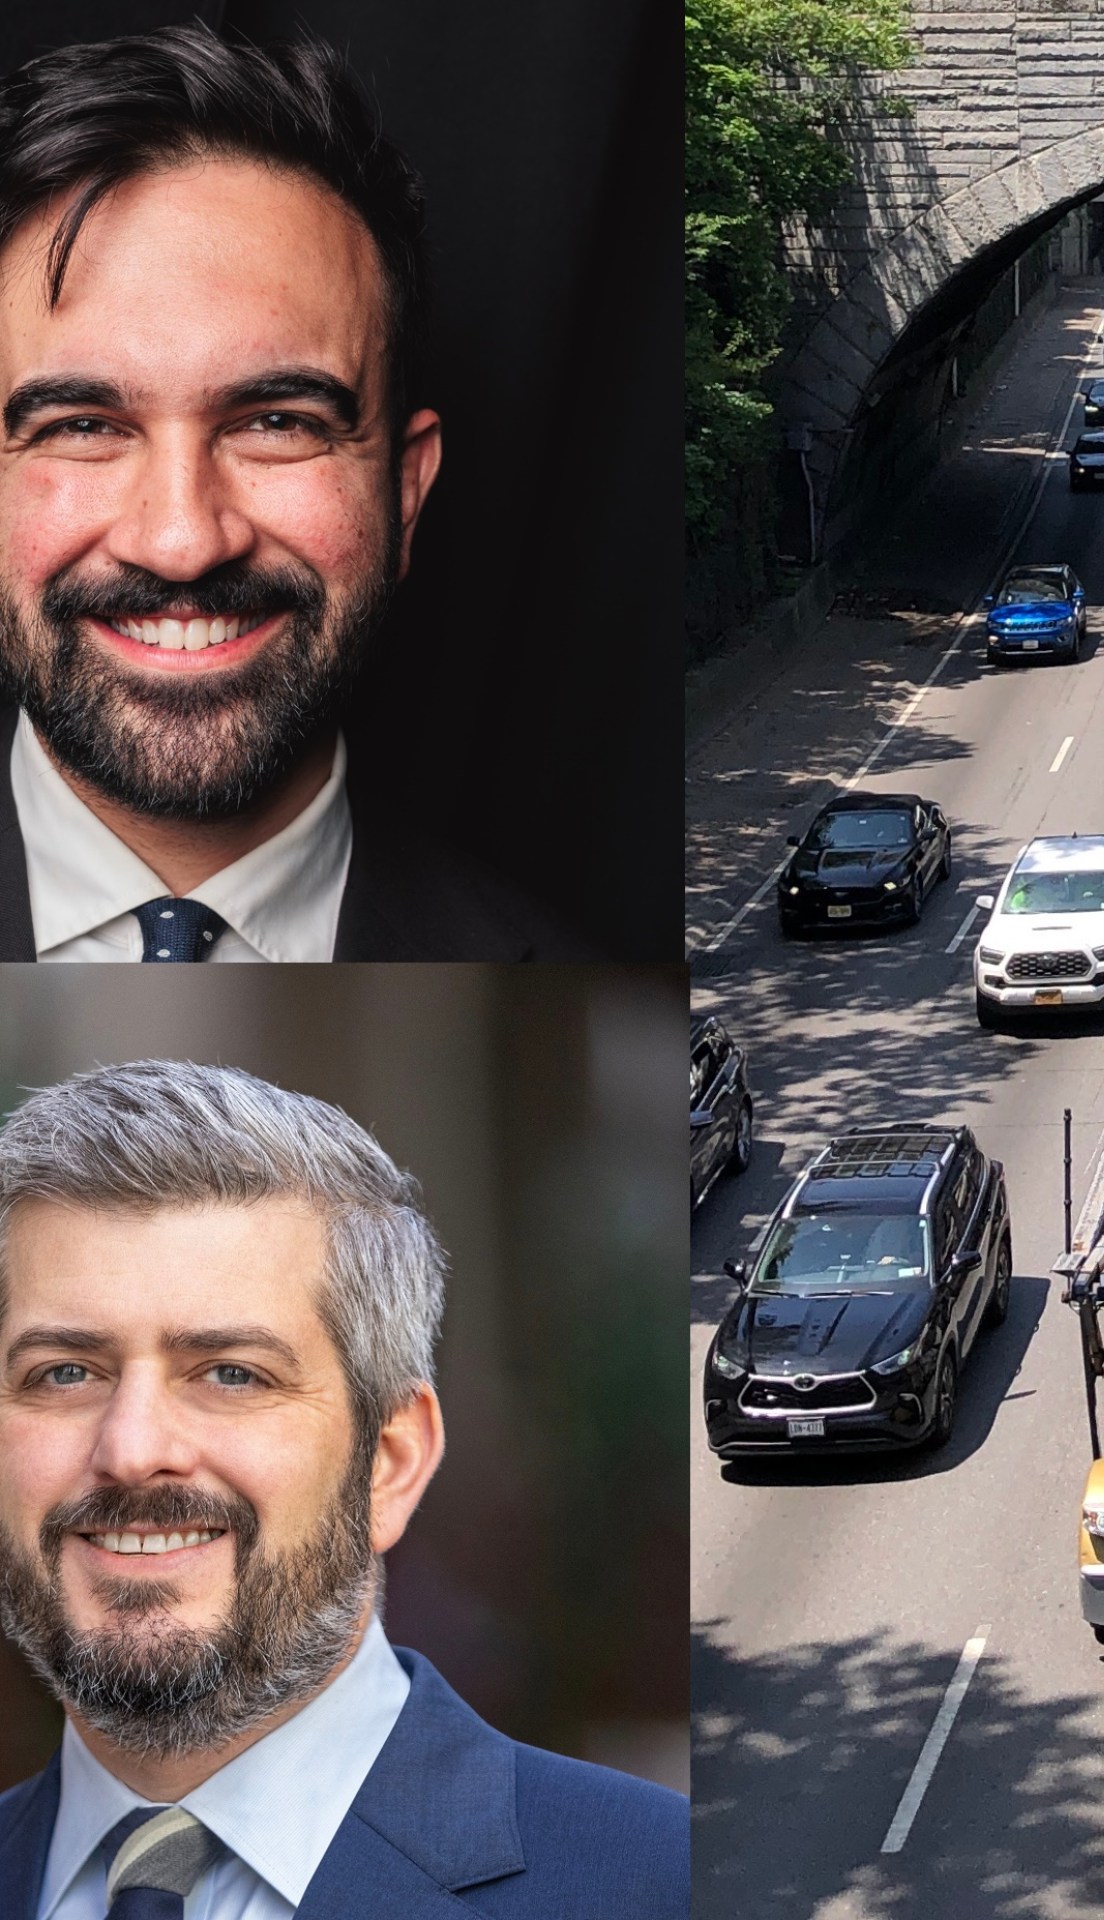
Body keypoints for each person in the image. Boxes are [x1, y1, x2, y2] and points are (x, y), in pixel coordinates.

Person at [0, 1062, 684, 1917]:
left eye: (232, 1374)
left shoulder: (658, 1883)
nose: (133, 1450)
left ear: (390, 1463)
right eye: (65, 1372)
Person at [0, 24, 565, 961]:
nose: (182, 540)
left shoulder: (559, 972)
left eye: (277, 422)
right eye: (83, 426)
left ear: (406, 491)